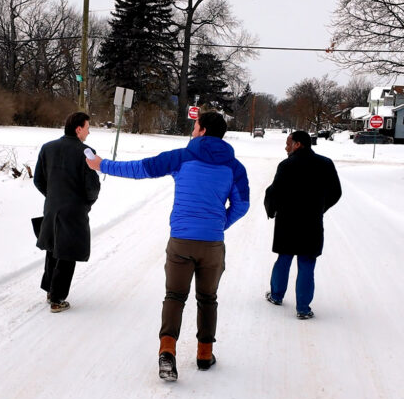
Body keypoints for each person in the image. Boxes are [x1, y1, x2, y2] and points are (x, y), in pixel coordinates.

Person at [86, 111, 249, 381]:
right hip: (212, 245)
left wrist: (102, 165)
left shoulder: (182, 157)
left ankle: (167, 353)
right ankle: (205, 354)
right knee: (207, 298)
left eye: (195, 126)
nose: (193, 130)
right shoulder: (235, 167)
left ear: (203, 130)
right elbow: (242, 205)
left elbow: (141, 168)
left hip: (181, 241)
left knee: (175, 296)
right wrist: (219, 225)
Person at [264, 130, 341, 319]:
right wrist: (320, 208)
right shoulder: (325, 164)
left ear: (298, 144)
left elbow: (275, 192)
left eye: (288, 143)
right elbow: (336, 192)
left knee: (284, 259)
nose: (286, 147)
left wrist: (272, 209)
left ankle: (276, 295)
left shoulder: (286, 165)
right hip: (312, 223)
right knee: (307, 263)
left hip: (287, 223)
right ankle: (303, 309)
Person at [34, 111, 101, 313]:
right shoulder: (86, 152)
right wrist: (86, 203)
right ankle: (57, 299)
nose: (89, 133)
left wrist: (53, 196)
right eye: (88, 128)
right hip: (74, 210)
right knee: (67, 253)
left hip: (52, 208)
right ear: (78, 129)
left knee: (53, 248)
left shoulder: (47, 148)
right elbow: (92, 186)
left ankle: (49, 290)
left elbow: (38, 180)